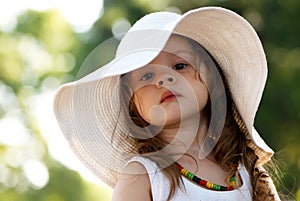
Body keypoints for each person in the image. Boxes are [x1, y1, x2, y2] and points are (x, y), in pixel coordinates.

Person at [54, 7, 282, 201]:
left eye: (180, 66)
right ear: (133, 105)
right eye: (146, 76)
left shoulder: (249, 173)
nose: (163, 78)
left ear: (211, 79)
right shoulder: (144, 175)